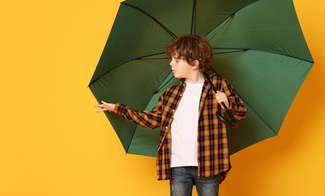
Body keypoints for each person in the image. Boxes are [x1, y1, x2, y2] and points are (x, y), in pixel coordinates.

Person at [96, 35, 247, 196]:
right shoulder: (171, 94)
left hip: (210, 161)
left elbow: (240, 113)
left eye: (177, 61)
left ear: (194, 63)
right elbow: (153, 120)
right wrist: (118, 109)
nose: (171, 64)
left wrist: (227, 102)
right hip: (178, 165)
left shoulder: (219, 86)